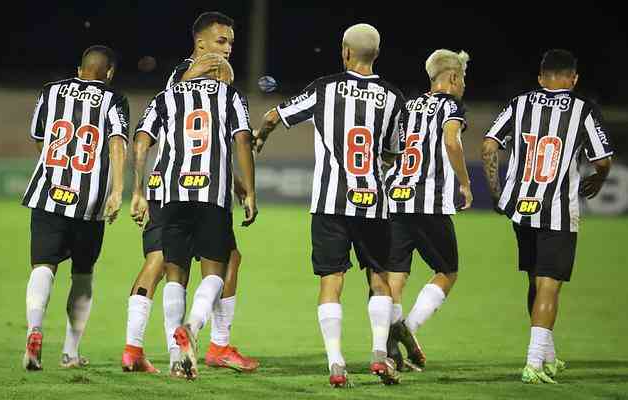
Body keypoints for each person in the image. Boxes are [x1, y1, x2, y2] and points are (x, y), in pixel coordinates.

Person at [254, 23, 404, 387]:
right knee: (380, 279)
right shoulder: (393, 97)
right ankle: (380, 355)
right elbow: (391, 152)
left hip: (329, 203)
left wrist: (261, 136)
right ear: (377, 55)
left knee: (331, 281)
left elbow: (275, 115)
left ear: (345, 52)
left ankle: (336, 364)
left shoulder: (325, 88)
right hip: (372, 202)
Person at [122, 11, 258, 374]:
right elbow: (227, 136)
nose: (228, 50)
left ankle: (161, 352)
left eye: (230, 42)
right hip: (184, 186)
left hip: (169, 184)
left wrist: (138, 188)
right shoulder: (194, 79)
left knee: (171, 265)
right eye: (221, 41)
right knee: (181, 262)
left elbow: (153, 133)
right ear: (200, 44)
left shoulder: (170, 91)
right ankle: (206, 343)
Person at [481, 49, 613, 384]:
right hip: (556, 211)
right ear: (574, 78)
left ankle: (548, 356)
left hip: (521, 208)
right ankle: (533, 363)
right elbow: (602, 161)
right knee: (549, 285)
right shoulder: (583, 109)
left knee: (536, 280)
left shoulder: (519, 103)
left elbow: (488, 145)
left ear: (541, 77)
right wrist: (597, 180)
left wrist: (497, 191)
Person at [21, 45, 128, 370]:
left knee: (43, 266)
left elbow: (39, 136)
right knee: (82, 274)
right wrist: (118, 190)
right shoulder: (114, 99)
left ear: (80, 69)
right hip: (88, 201)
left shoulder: (50, 91)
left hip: (48, 193)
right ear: (108, 73)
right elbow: (117, 142)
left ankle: (34, 329)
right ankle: (70, 351)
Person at [383, 49, 472, 371]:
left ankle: (389, 350)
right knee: (447, 271)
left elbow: (390, 150)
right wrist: (464, 182)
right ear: (451, 77)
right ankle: (409, 327)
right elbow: (451, 141)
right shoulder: (451, 105)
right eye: (462, 79)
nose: (463, 85)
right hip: (428, 201)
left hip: (396, 196)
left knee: (396, 273)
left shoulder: (408, 106)